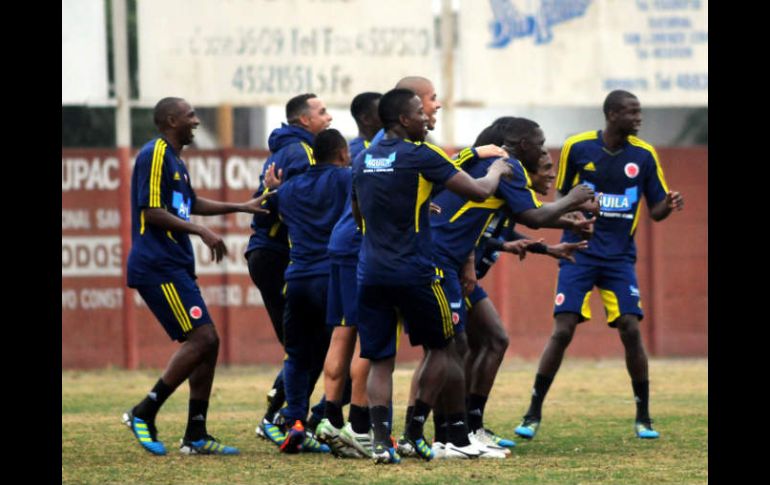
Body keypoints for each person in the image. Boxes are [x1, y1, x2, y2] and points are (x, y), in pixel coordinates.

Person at [352, 88, 513, 463]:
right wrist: (497, 169)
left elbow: (359, 213)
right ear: (404, 120)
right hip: (415, 272)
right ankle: (412, 432)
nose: (427, 118)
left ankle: (379, 442)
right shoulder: (421, 154)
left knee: (379, 360)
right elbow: (477, 191)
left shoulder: (362, 159)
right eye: (419, 114)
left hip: (370, 271)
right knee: (445, 346)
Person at [514, 90, 684, 441]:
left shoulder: (645, 155)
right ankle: (533, 413)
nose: (639, 118)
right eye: (632, 112)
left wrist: (669, 203)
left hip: (619, 258)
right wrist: (573, 214)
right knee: (562, 330)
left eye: (640, 112)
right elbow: (560, 197)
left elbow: (655, 210)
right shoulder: (578, 147)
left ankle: (644, 416)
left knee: (630, 329)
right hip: (581, 252)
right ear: (611, 114)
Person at [427, 118, 596, 458]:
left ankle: (463, 429)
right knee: (454, 347)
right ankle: (444, 433)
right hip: (442, 262)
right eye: (542, 145)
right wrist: (574, 200)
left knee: (487, 340)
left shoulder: (492, 169)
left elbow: (501, 228)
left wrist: (549, 243)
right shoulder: (507, 168)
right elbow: (530, 216)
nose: (549, 166)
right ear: (521, 144)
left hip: (452, 262)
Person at [122, 97, 273, 456]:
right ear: (172, 120)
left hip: (174, 265)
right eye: (190, 115)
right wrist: (201, 232)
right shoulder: (155, 153)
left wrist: (240, 206)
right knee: (202, 338)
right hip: (157, 266)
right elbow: (152, 211)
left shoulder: (174, 160)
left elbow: (190, 201)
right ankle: (144, 411)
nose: (196, 121)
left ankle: (196, 434)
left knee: (209, 341)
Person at [254, 128, 352, 453]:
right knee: (347, 353)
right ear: (341, 154)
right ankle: (322, 417)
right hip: (332, 278)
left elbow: (269, 210)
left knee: (296, 354)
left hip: (296, 279)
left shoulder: (290, 188)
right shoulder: (345, 179)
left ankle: (294, 420)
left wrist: (271, 190)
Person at [244, 93, 332, 446]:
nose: (328, 116)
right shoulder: (301, 152)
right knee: (307, 346)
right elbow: (296, 202)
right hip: (279, 256)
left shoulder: (293, 148)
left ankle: (289, 417)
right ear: (303, 120)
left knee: (312, 344)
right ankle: (277, 419)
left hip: (276, 255)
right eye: (322, 111)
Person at [315, 92, 383, 458]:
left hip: (339, 244)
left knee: (342, 332)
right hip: (359, 247)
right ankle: (359, 426)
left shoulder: (351, 150)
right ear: (372, 118)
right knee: (368, 335)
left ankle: (330, 417)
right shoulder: (378, 153)